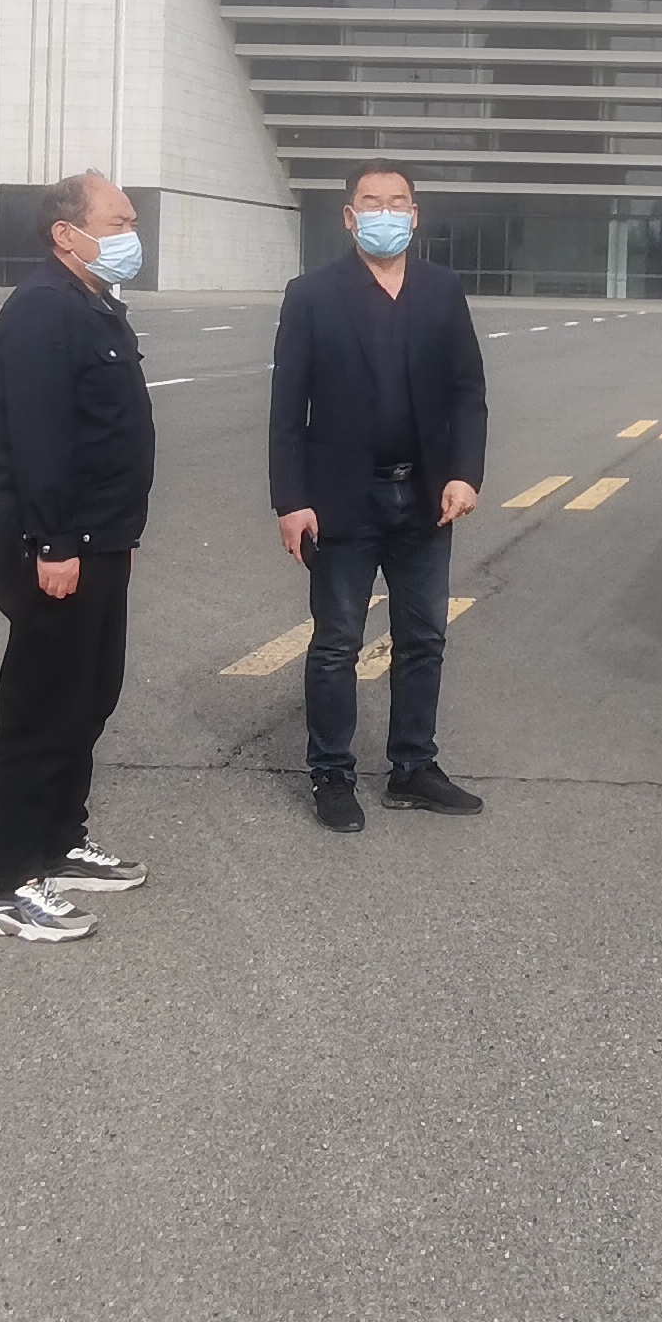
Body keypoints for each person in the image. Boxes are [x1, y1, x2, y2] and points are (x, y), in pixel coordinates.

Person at [267, 159, 490, 833]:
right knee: (337, 642)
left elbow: (467, 392)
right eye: (372, 202)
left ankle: (413, 767)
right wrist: (291, 501)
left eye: (398, 202)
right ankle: (332, 774)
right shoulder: (312, 295)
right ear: (349, 215)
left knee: (423, 638)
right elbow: (287, 410)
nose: (385, 213)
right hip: (342, 500)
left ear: (415, 216)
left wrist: (464, 473)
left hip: (424, 497)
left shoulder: (442, 291)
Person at [0, 170, 158, 944]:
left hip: (100, 540)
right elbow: (40, 437)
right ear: (65, 232)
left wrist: (120, 538)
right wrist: (54, 541)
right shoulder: (44, 309)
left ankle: (60, 841)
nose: (131, 234)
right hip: (58, 545)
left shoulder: (94, 302)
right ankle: (13, 884)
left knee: (87, 700)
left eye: (131, 221)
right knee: (41, 710)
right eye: (117, 222)